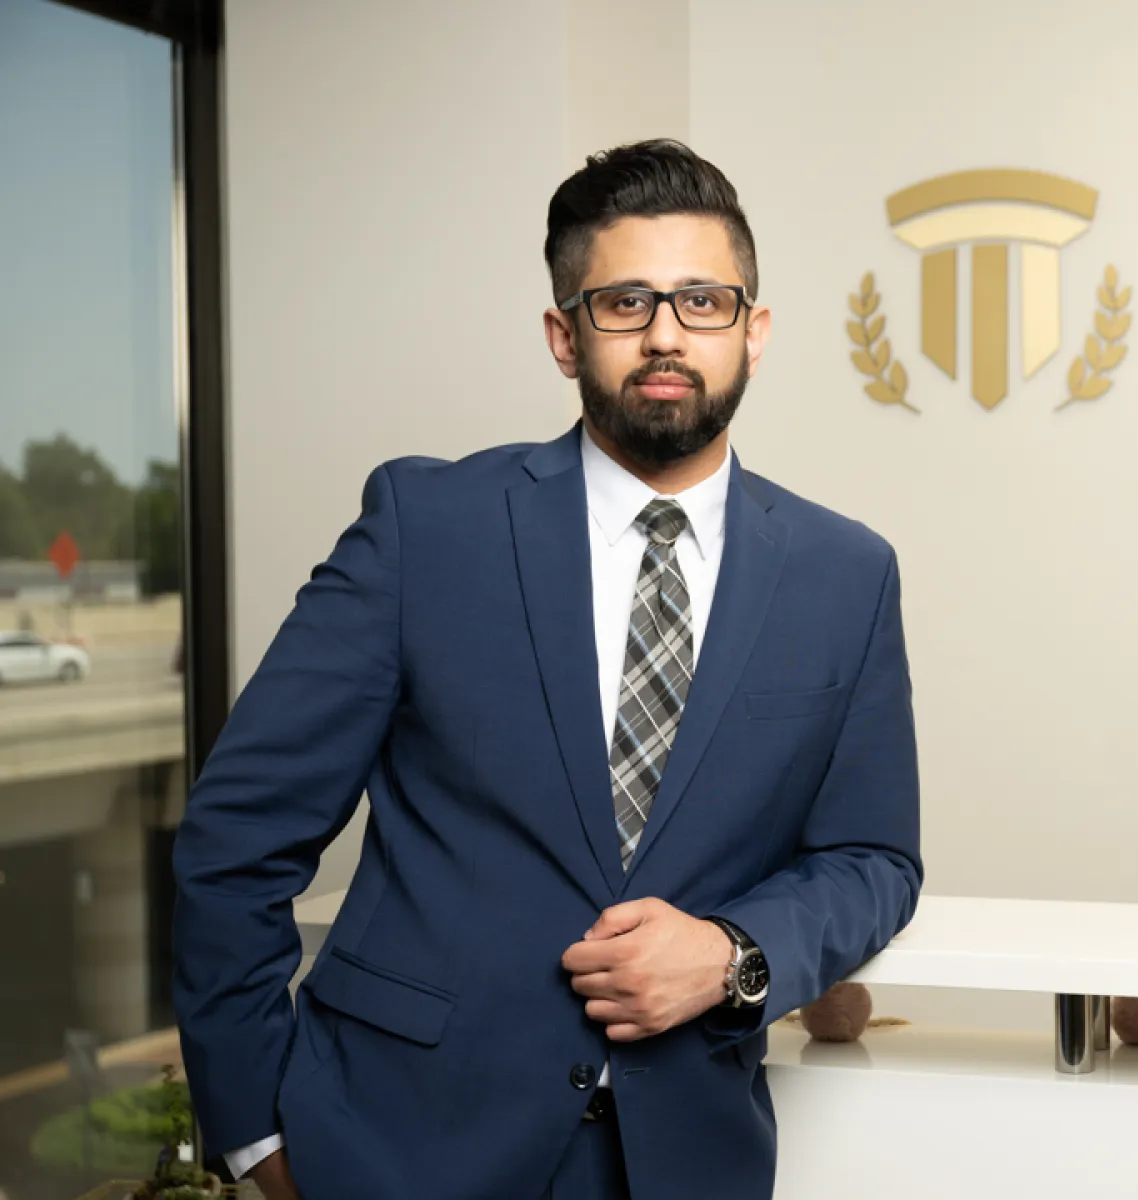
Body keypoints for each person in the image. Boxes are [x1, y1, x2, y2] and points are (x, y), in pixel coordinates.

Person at [171, 139, 922, 1200]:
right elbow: (237, 839)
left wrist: (733, 954)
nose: (665, 333)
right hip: (395, 1149)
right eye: (622, 303)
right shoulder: (424, 530)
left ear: (754, 331)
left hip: (684, 1159)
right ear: (564, 336)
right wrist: (256, 1133)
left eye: (702, 300)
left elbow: (872, 859)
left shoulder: (847, 574)